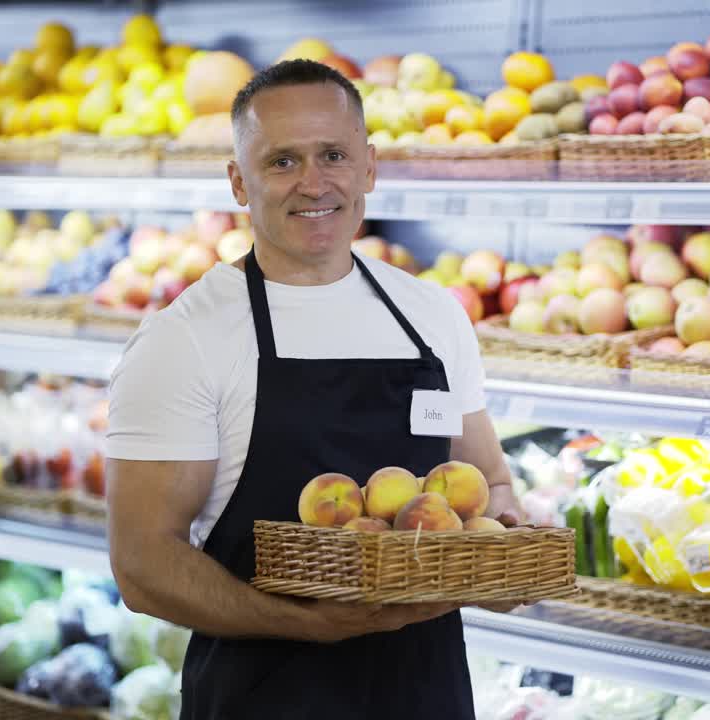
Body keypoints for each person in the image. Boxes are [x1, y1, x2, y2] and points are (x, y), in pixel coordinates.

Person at [105, 59, 523, 719]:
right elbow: (142, 564)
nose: (314, 183)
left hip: (426, 694)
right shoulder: (184, 340)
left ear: (369, 168)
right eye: (282, 162)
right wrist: (305, 622)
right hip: (263, 697)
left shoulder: (433, 317)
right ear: (238, 182)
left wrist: (501, 553)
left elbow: (489, 485)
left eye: (333, 155)